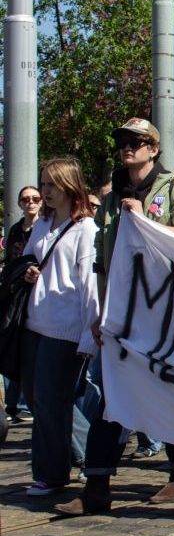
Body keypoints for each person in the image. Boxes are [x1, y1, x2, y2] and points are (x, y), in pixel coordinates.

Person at [55, 118, 174, 516]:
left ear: (153, 149)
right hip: (123, 312)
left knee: (169, 391)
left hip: (166, 311)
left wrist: (147, 221)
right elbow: (103, 261)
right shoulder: (111, 198)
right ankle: (97, 486)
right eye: (122, 140)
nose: (127, 147)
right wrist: (102, 312)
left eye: (136, 141)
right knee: (113, 396)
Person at [18, 159, 100, 497]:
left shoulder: (86, 229)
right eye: (43, 184)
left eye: (52, 184)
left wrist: (89, 334)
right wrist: (28, 271)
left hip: (64, 327)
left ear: (69, 186)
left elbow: (89, 285)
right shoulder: (43, 224)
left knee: (52, 400)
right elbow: (27, 259)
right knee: (39, 400)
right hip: (34, 322)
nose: (45, 191)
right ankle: (83, 460)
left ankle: (52, 474)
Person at [4, 185, 42, 425]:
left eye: (35, 198)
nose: (31, 203)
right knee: (12, 342)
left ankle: (24, 405)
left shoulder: (45, 226)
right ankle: (14, 404)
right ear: (19, 203)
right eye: (25, 199)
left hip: (38, 297)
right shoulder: (16, 230)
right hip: (17, 295)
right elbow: (10, 262)